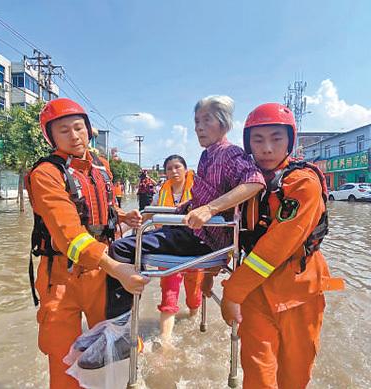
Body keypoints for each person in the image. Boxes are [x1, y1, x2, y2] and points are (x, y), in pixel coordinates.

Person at [109, 95, 265, 341]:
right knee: (132, 236)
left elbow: (254, 182)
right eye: (196, 122)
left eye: (206, 120)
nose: (198, 127)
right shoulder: (206, 156)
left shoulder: (230, 154)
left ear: (223, 124)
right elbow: (204, 196)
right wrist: (188, 206)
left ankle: (117, 334)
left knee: (119, 248)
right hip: (190, 231)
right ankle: (121, 324)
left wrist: (209, 210)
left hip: (206, 240)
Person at [218, 103, 345, 389]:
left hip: (299, 292)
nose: (267, 148)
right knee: (258, 376)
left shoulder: (303, 183)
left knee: (294, 376)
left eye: (276, 138)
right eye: (258, 140)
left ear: (290, 140)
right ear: (248, 144)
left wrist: (232, 293)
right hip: (256, 293)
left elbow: (276, 247)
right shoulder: (245, 182)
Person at [26, 98, 149, 389]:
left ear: (89, 129)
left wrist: (120, 215)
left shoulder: (101, 168)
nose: (74, 135)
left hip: (102, 274)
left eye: (79, 127)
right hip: (61, 275)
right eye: (64, 130)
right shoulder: (45, 173)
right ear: (51, 137)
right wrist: (117, 267)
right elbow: (68, 231)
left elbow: (96, 207)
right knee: (61, 357)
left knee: (114, 352)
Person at [151, 154, 203, 341]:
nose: (174, 171)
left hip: (194, 248)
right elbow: (149, 216)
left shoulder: (199, 190)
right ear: (165, 173)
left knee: (194, 294)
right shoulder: (160, 193)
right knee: (169, 293)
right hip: (169, 248)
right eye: (169, 168)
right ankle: (165, 342)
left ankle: (193, 320)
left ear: (185, 169)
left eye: (177, 167)